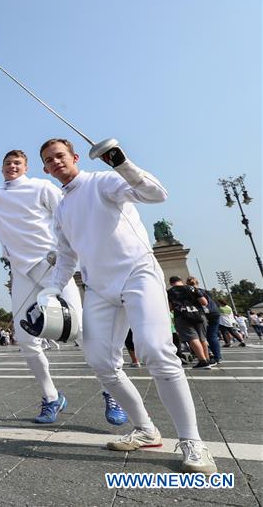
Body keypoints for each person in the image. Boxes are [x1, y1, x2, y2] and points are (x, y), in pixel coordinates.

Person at [39, 137, 215, 473]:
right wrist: (50, 290)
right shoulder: (61, 209)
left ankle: (192, 441)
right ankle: (146, 429)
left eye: (60, 155)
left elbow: (156, 194)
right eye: (49, 160)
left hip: (137, 274)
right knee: (101, 362)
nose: (56, 162)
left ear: (74, 156)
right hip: (99, 288)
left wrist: (122, 163)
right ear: (46, 169)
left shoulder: (103, 180)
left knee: (156, 352)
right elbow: (65, 257)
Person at [0, 145, 126, 426]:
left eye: (17, 162)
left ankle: (111, 392)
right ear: (2, 169)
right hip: (22, 274)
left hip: (54, 269)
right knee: (27, 339)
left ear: (26, 167)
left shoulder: (42, 187)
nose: (11, 166)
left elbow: (67, 215)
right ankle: (51, 396)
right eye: (7, 163)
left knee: (80, 332)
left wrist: (67, 252)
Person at [186, 277, 222, 365]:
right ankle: (216, 356)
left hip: (204, 315)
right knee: (211, 336)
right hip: (215, 313)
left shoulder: (193, 292)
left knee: (202, 337)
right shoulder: (205, 291)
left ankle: (213, 357)